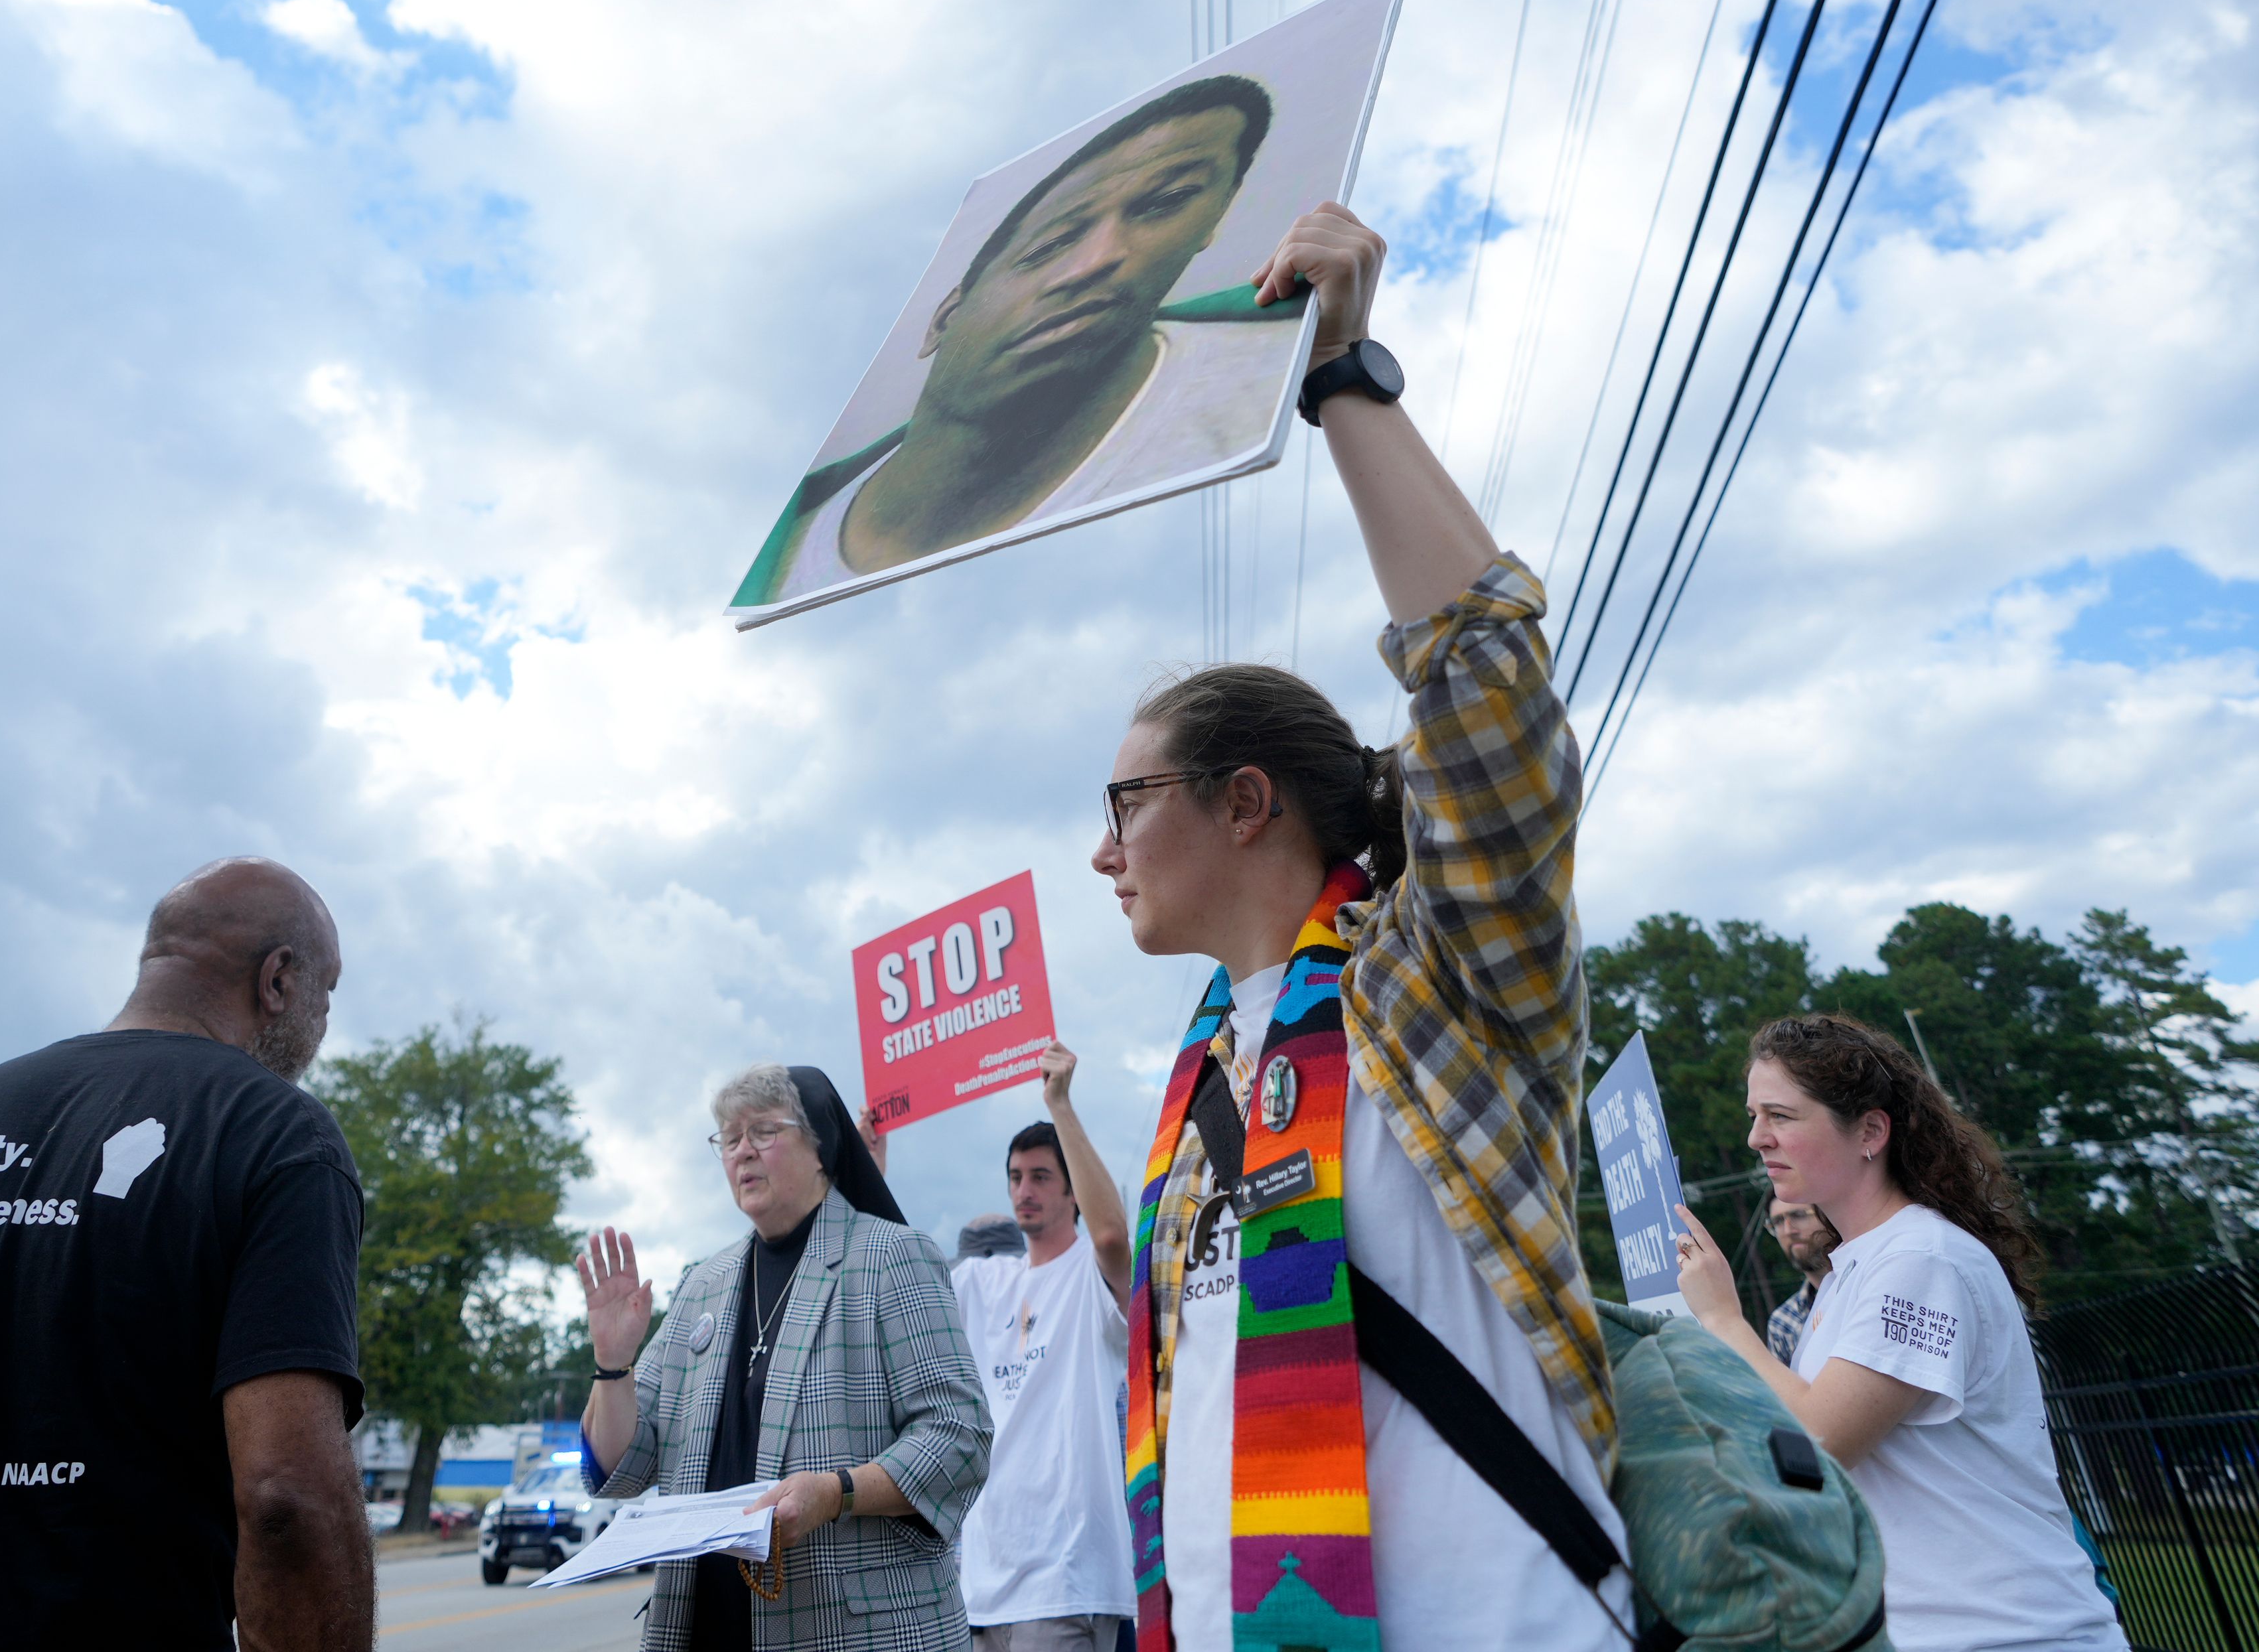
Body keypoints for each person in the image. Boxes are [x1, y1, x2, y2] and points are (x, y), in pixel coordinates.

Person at [1098, 204, 1631, 1652]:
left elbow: (1489, 696)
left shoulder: (1439, 975)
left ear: (1247, 801)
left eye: (1125, 799)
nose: (1101, 852)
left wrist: (1344, 379)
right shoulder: (1199, 1076)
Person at [0, 857, 372, 1652]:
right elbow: (286, 1494)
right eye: (328, 992)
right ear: (280, 980)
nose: (323, 1022)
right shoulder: (272, 1130)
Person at [734, 74, 1301, 608]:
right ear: (941, 320)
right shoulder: (786, 560)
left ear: (1211, 224)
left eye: (1165, 203)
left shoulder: (1271, 374)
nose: (1096, 261)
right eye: (1046, 246)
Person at [1674, 1014, 2125, 1652]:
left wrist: (1722, 1319)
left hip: (2008, 1633)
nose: (1756, 1139)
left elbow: (1820, 1441)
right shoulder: (1851, 1271)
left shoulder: (1921, 1258)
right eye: (1755, 1116)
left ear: (1870, 1131)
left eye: (1781, 1116)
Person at [576, 1064, 991, 1650]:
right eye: (729, 1137)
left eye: (763, 1132)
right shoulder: (703, 1284)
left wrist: (836, 1492)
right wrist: (613, 1365)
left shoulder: (892, 1258)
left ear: (821, 1148)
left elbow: (959, 1438)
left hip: (851, 1631)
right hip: (705, 1627)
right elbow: (625, 1466)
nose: (742, 1151)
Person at [865, 1043, 1139, 1651]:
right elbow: (903, 1280)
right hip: (982, 1582)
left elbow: (1115, 1236)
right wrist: (870, 1178)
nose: (1025, 1190)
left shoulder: (1089, 1280)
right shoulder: (982, 1284)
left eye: (1042, 1176)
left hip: (1069, 1579)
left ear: (1073, 1192)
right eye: (1016, 1177)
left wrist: (1060, 1105)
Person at [1766, 1200, 1837, 1365]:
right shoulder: (1782, 1322)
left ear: (1829, 1215)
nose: (1788, 1230)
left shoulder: (1869, 1286)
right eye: (1777, 1222)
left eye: (1799, 1215)